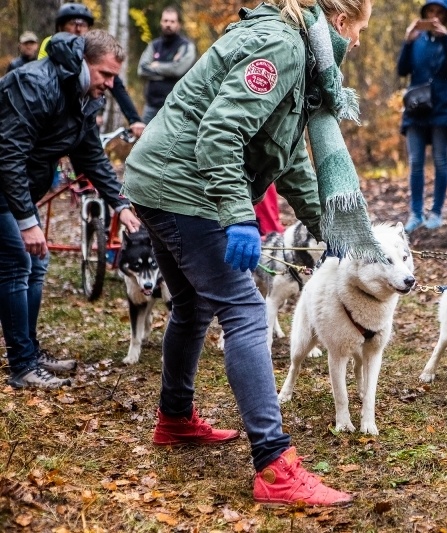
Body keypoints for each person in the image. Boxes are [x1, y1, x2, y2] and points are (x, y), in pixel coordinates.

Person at [122, 0, 383, 507]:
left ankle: (174, 418)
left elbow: (284, 160)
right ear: (339, 20)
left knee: (194, 304)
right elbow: (220, 132)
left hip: (159, 177)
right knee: (243, 310)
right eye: (357, 31)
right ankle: (274, 464)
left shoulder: (295, 50)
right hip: (182, 186)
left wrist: (328, 226)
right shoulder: (282, 46)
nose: (355, 43)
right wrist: (239, 216)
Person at [0, 30, 141, 389]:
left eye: (114, 77)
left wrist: (121, 205)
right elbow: (10, 154)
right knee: (18, 262)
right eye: (104, 75)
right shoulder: (34, 83)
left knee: (37, 262)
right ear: (82, 64)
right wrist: (28, 222)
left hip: (23, 187)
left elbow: (90, 156)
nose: (109, 85)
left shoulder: (84, 96)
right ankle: (22, 365)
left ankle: (28, 351)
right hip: (4, 183)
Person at [397, 0, 447, 233]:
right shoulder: (416, 41)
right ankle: (415, 213)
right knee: (415, 162)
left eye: (440, 12)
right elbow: (402, 70)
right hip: (416, 108)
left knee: (440, 161)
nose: (435, 16)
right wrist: (407, 41)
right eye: (430, 12)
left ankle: (436, 212)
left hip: (442, 108)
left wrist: (444, 38)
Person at [39, 3, 146, 138]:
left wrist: (134, 119)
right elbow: (45, 83)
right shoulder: (51, 45)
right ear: (60, 27)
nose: (78, 29)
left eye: (83, 25)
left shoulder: (92, 51)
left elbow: (115, 85)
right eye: (73, 23)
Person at [137, 6, 197, 124]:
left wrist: (157, 65)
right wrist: (168, 71)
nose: (168, 24)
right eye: (165, 21)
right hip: (151, 106)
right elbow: (142, 70)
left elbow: (178, 70)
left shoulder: (186, 46)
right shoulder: (154, 45)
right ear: (161, 22)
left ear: (178, 24)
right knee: (143, 141)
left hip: (174, 107)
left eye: (172, 21)